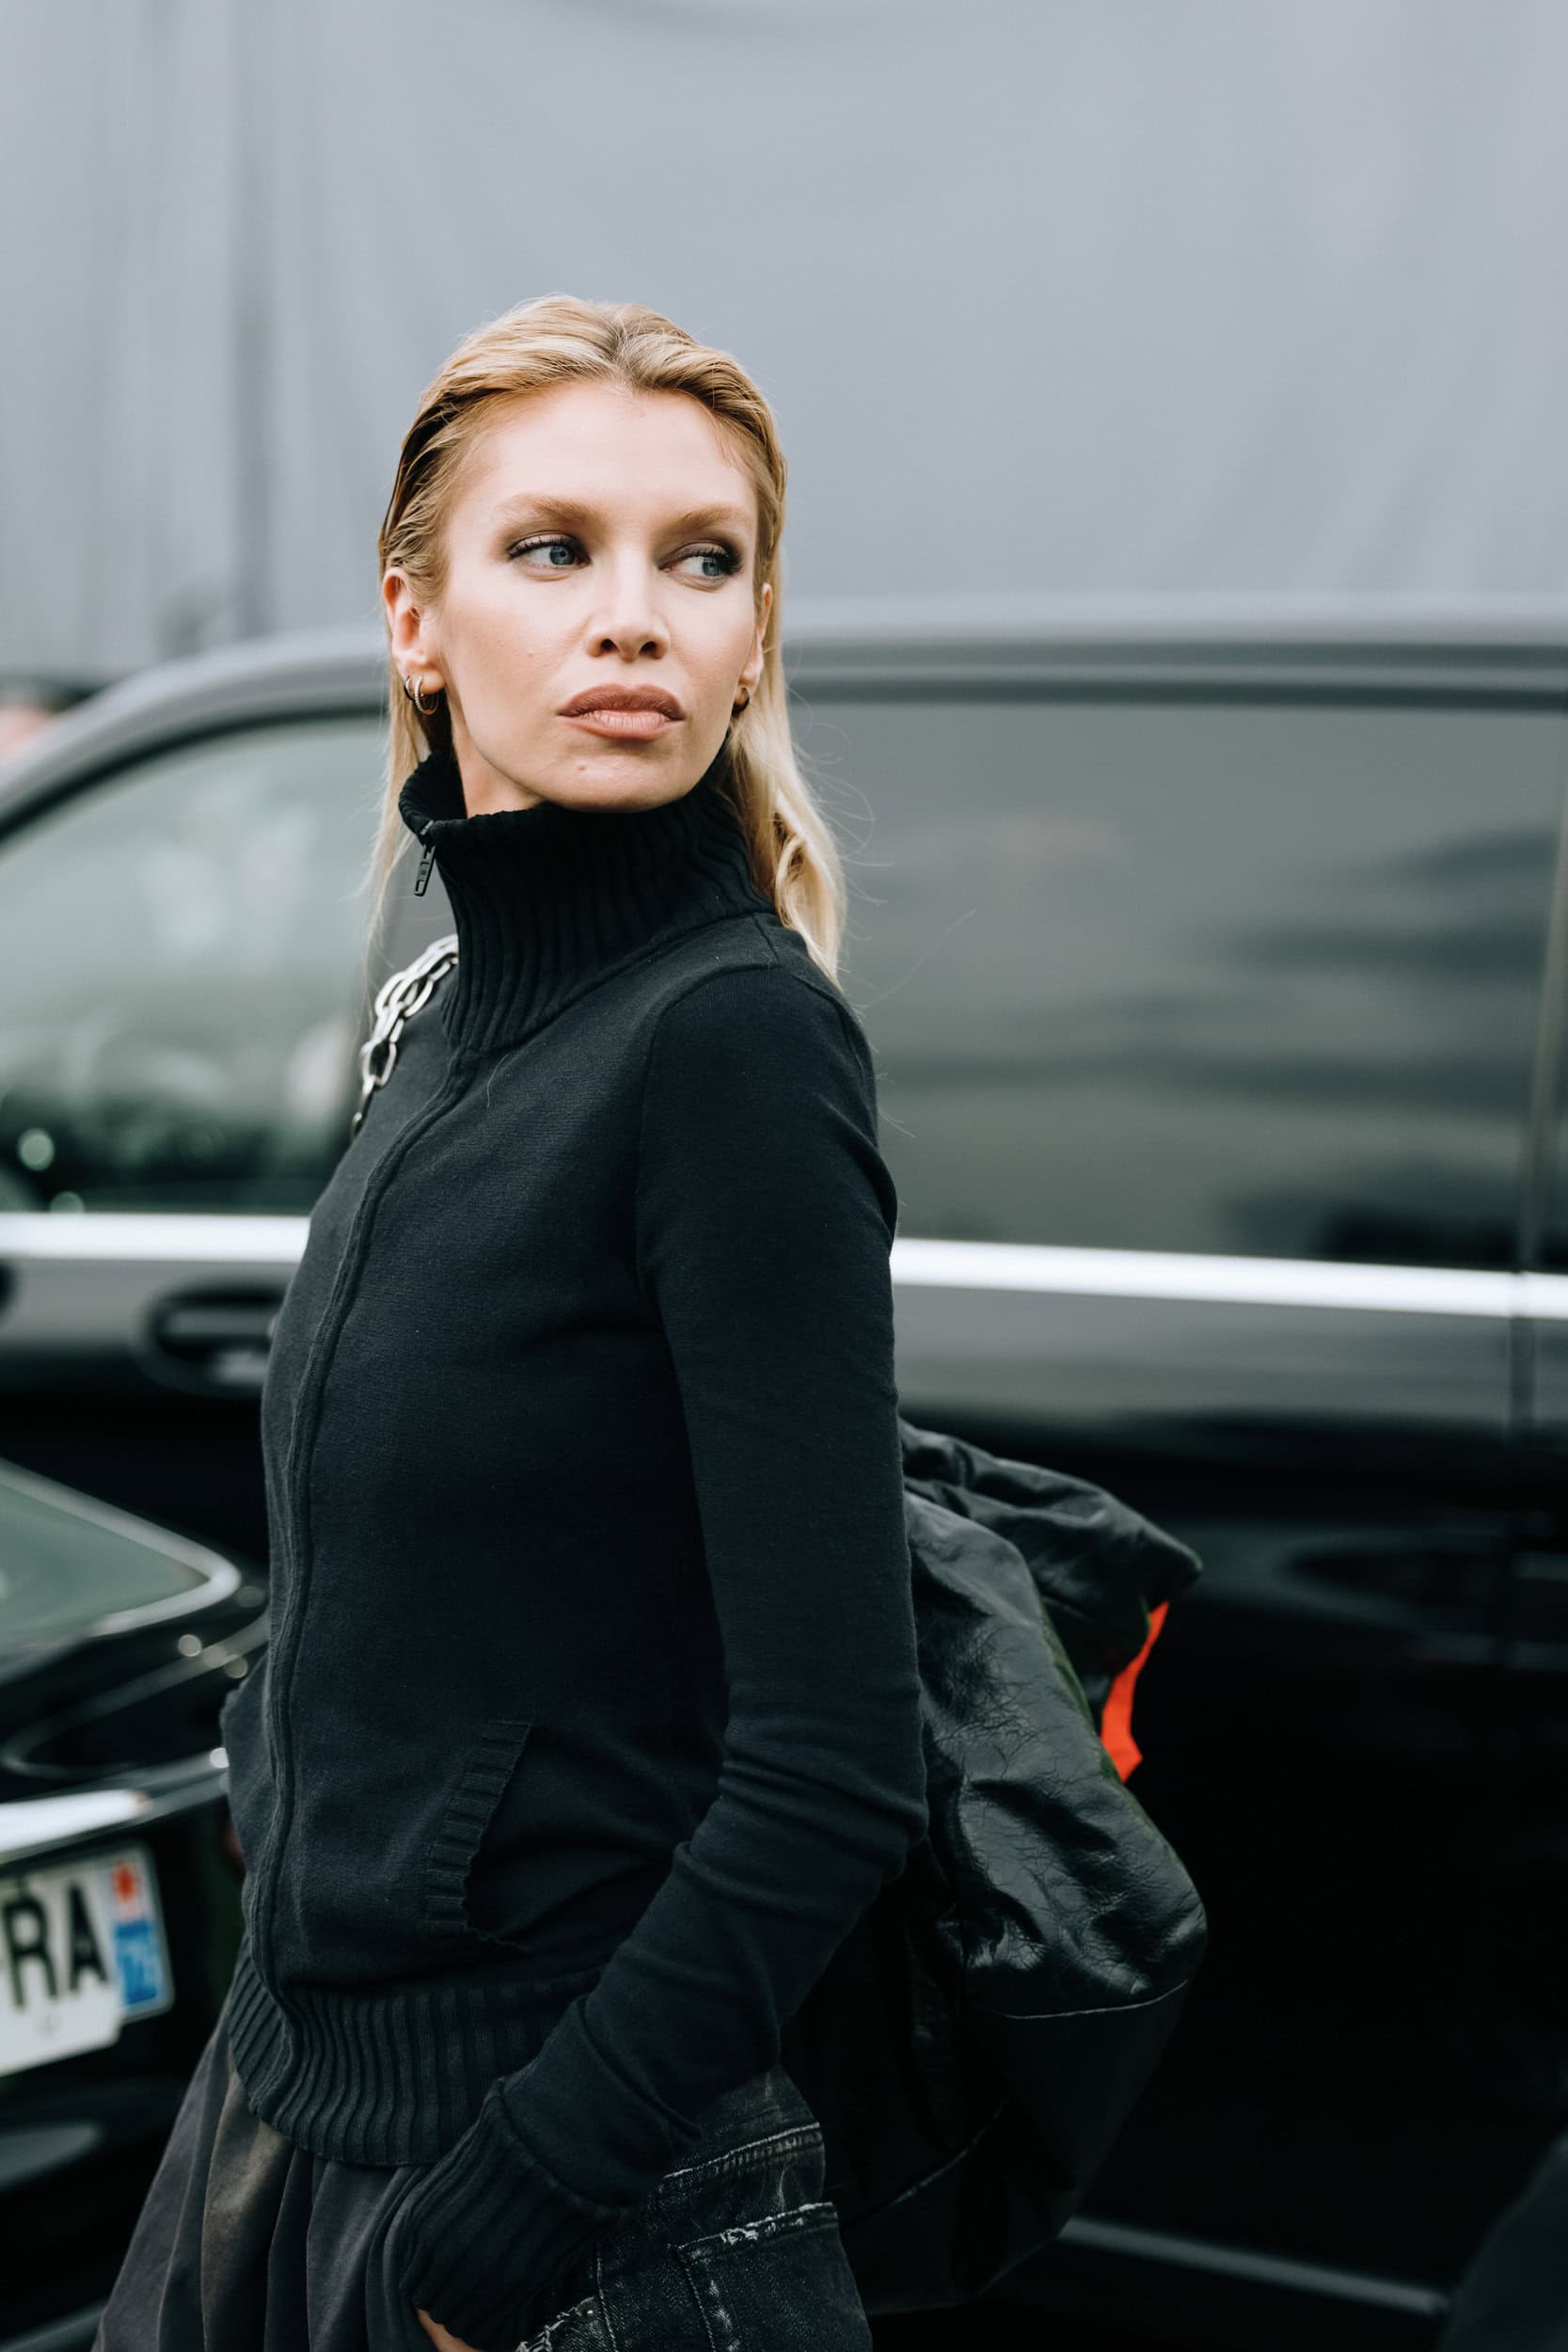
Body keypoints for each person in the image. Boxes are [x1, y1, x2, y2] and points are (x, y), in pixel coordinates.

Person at [93, 294, 928, 2352]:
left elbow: (835, 1768)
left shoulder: (730, 1047)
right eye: (553, 548)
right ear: (415, 617)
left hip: (554, 2190)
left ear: (752, 636)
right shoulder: (445, 1012)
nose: (633, 616)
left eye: (700, 560)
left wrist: (519, 2210)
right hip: (287, 2114)